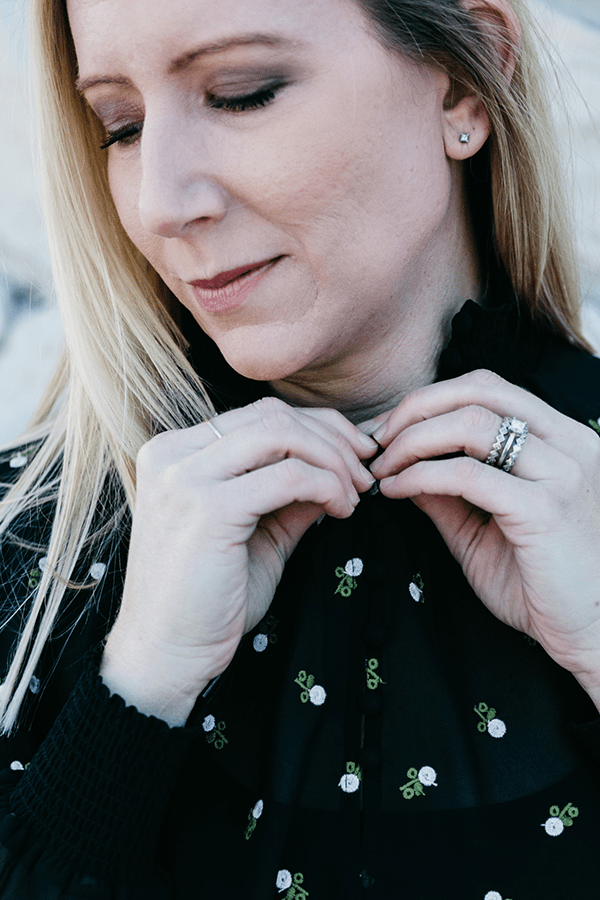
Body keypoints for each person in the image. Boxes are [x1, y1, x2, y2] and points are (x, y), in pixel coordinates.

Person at [0, 0, 599, 895]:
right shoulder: (27, 545)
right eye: (119, 127)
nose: (163, 203)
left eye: (242, 94)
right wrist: (134, 696)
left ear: (466, 83)